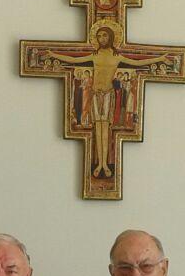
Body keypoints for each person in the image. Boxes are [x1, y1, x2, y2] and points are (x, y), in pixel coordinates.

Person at [47, 24, 169, 177]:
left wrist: (159, 58)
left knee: (106, 130)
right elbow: (73, 59)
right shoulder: (95, 55)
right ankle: (100, 163)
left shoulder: (117, 56)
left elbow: (137, 63)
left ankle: (105, 163)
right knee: (98, 129)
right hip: (95, 94)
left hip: (108, 95)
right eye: (99, 36)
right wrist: (54, 54)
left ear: (111, 37)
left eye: (104, 35)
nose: (101, 38)